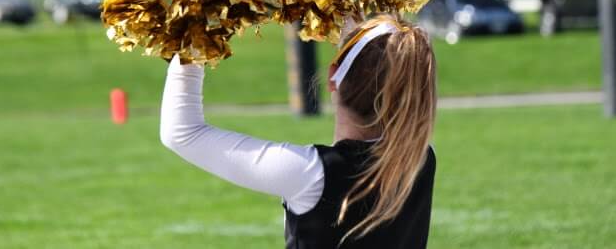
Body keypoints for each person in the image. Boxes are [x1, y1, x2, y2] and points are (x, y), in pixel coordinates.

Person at [160, 13, 437, 248]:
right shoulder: (420, 158)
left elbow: (182, 132)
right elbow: (377, 63)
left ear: (332, 78)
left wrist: (197, 28)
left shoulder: (310, 175)